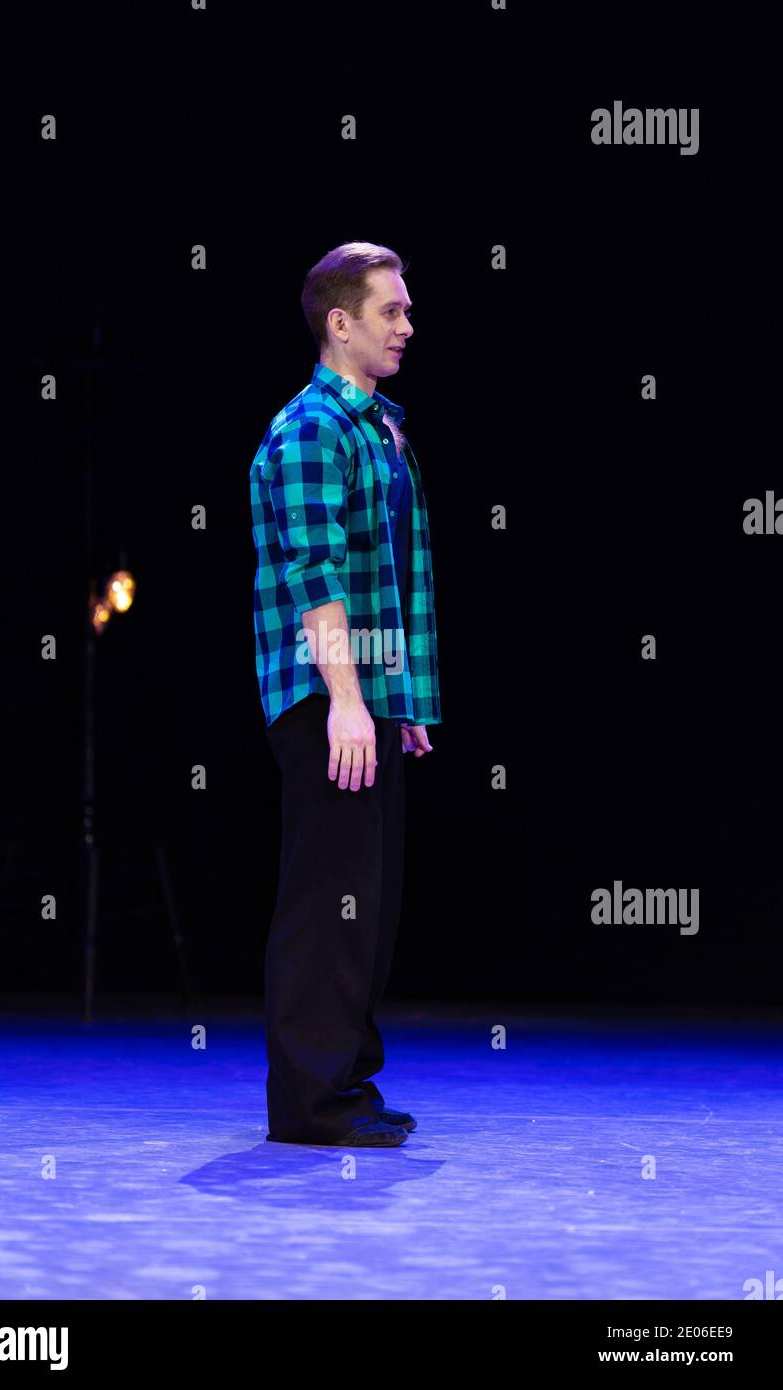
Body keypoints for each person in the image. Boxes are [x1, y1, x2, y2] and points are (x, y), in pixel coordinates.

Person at [249, 240, 443, 1146]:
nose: (407, 325)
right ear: (341, 322)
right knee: (328, 900)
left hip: (361, 699)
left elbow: (389, 575)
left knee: (373, 898)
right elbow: (316, 575)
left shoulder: (378, 426)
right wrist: (347, 701)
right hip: (325, 700)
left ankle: (345, 1085)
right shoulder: (311, 429)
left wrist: (390, 698)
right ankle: (312, 1103)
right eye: (390, 310)